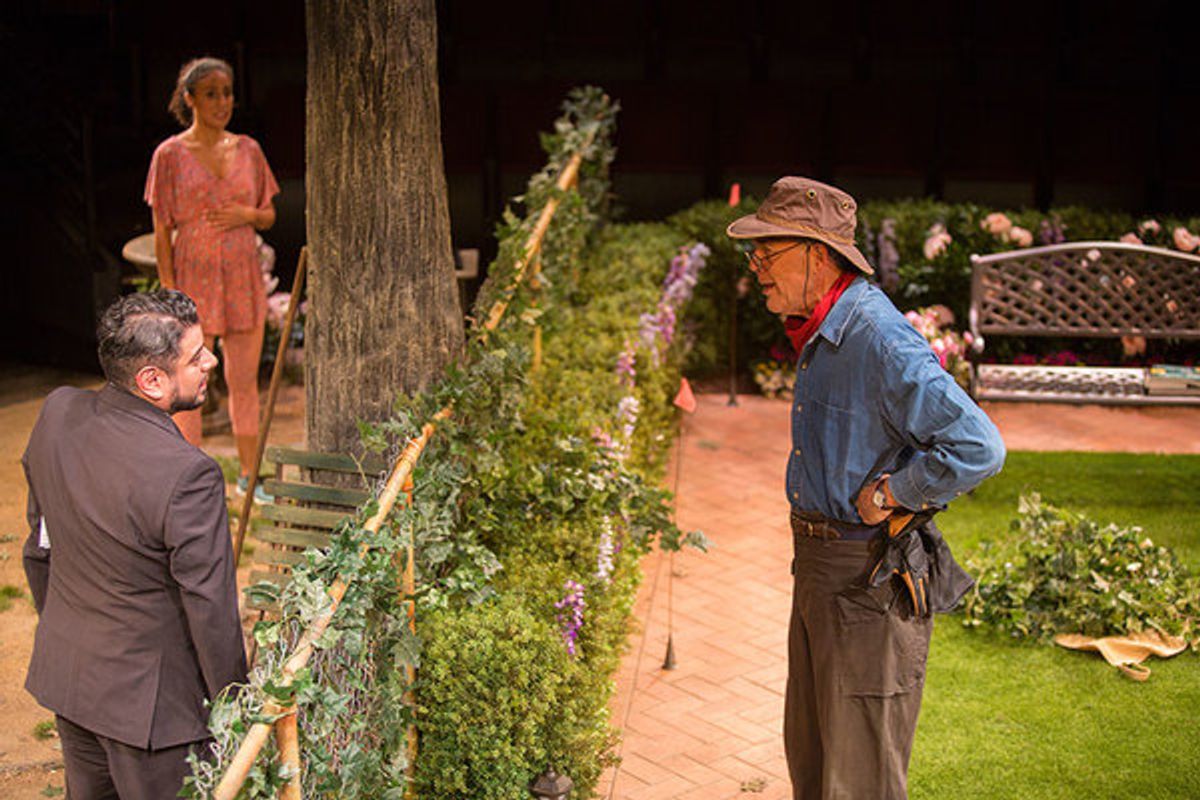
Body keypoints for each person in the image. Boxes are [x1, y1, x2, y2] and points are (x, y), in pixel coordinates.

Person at [727, 177, 1006, 800]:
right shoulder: (825, 331)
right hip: (821, 570)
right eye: (756, 256)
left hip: (867, 580)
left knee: (860, 781)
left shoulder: (878, 338)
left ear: (817, 254)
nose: (758, 269)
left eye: (767, 254)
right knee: (814, 757)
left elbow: (979, 446)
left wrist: (895, 492)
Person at [22, 290, 248, 799]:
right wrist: (237, 708)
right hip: (155, 716)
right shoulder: (189, 475)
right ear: (152, 381)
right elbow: (210, 608)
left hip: (72, 680)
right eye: (195, 357)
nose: (210, 361)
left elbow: (39, 549)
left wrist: (69, 634)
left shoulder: (57, 415)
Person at [145, 55, 280, 502]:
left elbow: (268, 215)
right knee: (188, 387)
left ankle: (249, 475)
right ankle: (192, 483)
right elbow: (162, 230)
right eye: (211, 94)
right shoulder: (169, 155)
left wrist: (245, 213)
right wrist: (169, 293)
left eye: (227, 93)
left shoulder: (248, 150)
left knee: (245, 383)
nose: (222, 102)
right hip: (194, 280)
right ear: (190, 99)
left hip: (242, 276)